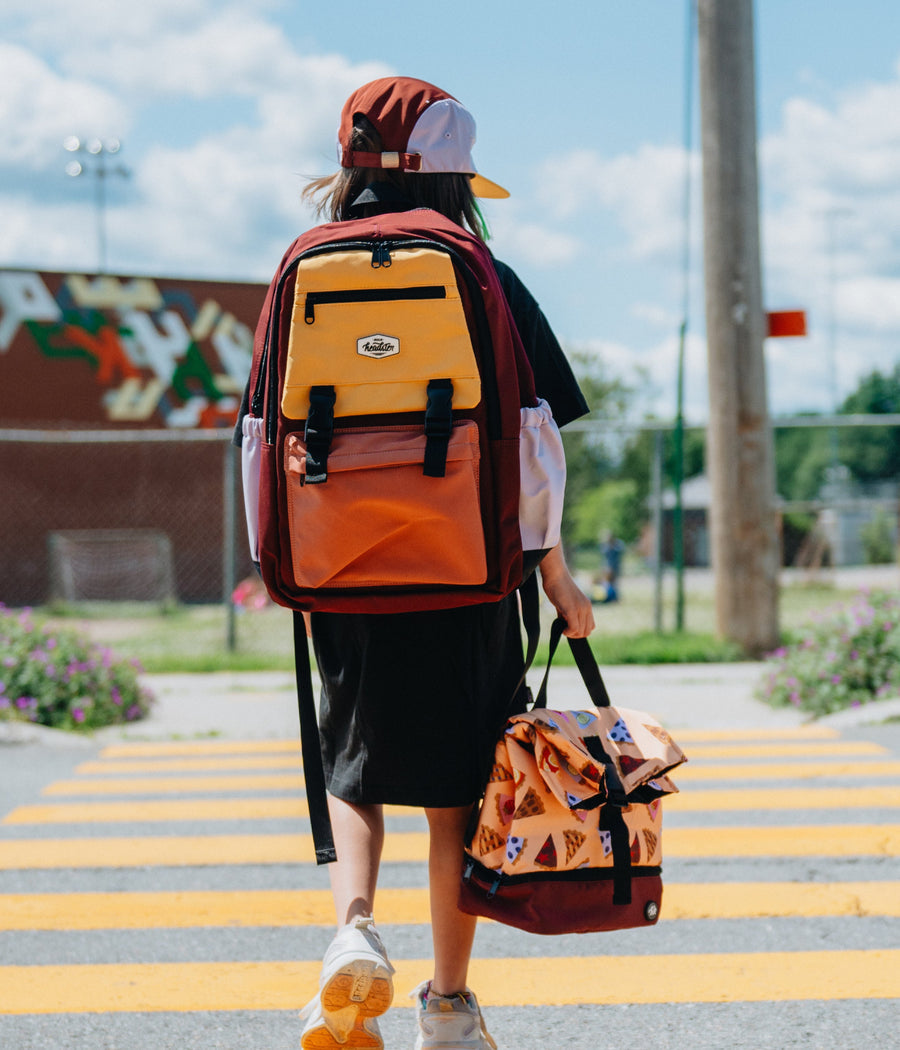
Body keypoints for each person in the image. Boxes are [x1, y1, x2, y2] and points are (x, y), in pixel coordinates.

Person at [265, 76, 595, 1050]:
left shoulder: (302, 272)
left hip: (344, 568)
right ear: (454, 181)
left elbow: (257, 438)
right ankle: (448, 1006)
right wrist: (556, 576)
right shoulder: (482, 276)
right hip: (472, 572)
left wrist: (283, 561)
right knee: (458, 792)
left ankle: (354, 932)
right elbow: (536, 445)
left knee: (352, 765)